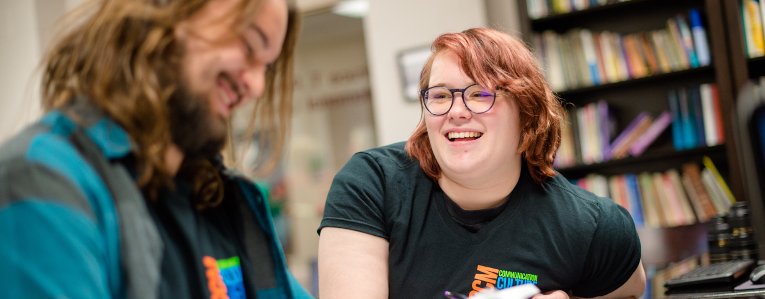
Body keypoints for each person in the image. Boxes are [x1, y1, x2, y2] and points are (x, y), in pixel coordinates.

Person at [0, 0, 312, 298]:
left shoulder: (218, 203)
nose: (257, 86)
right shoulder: (43, 180)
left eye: (266, 68)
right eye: (249, 45)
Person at [318, 27, 645, 298]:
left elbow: (631, 290)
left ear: (526, 112)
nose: (456, 112)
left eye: (479, 94)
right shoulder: (371, 184)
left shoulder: (594, 226)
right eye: (441, 96)